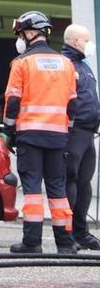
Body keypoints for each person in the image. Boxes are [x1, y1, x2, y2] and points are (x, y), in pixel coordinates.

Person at [3, 11, 78, 254]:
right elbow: (73, 104)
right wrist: (67, 132)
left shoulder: (22, 63)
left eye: (21, 33)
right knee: (58, 190)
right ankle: (65, 244)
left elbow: (13, 102)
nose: (20, 39)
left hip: (30, 136)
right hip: (58, 138)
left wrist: (9, 132)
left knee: (33, 190)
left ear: (31, 33)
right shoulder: (66, 64)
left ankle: (32, 243)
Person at [61, 24, 100, 250]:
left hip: (87, 133)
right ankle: (68, 234)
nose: (89, 44)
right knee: (70, 181)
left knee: (84, 184)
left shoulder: (84, 66)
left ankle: (81, 232)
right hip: (72, 132)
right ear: (76, 42)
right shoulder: (64, 65)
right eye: (86, 40)